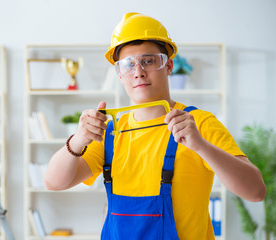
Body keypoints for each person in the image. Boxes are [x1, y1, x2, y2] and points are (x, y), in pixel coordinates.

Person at [44, 12, 266, 239]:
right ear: (120, 75)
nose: (138, 72)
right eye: (128, 65)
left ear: (168, 66)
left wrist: (200, 146)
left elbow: (256, 191)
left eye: (148, 61)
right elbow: (53, 182)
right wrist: (78, 140)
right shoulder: (110, 133)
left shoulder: (199, 124)